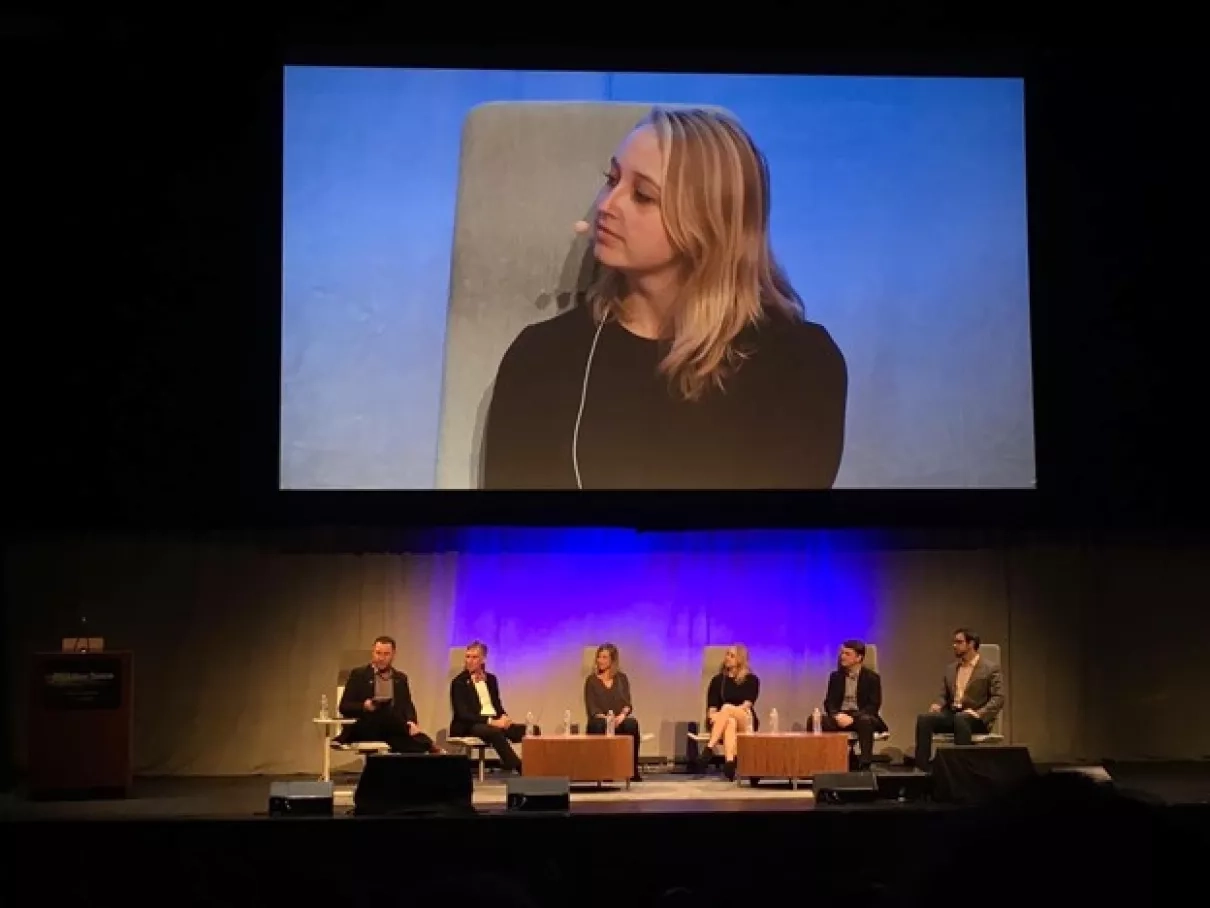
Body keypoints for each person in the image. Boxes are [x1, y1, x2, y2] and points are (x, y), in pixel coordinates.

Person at [481, 106, 847, 490]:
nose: (606, 205)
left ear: (708, 222)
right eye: (612, 179)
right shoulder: (540, 358)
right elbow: (511, 535)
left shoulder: (799, 364)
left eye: (641, 195)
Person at [914, 628, 1005, 769]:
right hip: (954, 714)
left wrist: (979, 713)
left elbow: (998, 698)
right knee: (924, 719)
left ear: (971, 644)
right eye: (954, 642)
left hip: (976, 718)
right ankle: (922, 768)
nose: (954, 645)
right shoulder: (951, 669)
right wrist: (938, 704)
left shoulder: (990, 668)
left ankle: (962, 768)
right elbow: (944, 696)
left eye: (959, 642)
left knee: (961, 719)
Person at [334, 636, 441, 754]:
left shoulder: (400, 679)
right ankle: (430, 744)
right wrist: (365, 706)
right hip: (367, 726)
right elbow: (344, 707)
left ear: (393, 655)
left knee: (405, 741)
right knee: (390, 721)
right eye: (378, 653)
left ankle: (424, 751)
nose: (381, 658)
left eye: (386, 654)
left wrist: (411, 722)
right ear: (372, 652)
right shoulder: (359, 675)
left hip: (392, 729)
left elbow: (407, 705)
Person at [808, 639, 888, 767]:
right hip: (840, 716)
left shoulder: (872, 678)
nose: (842, 656)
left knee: (865, 721)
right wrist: (836, 715)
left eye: (847, 653)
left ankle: (865, 764)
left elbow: (873, 705)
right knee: (814, 720)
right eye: (842, 653)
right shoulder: (835, 677)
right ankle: (816, 763)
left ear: (858, 658)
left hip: (861, 716)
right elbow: (829, 703)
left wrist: (852, 717)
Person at [449, 641, 526, 774]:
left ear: (483, 659)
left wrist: (504, 717)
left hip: (494, 721)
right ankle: (519, 767)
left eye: (474, 657)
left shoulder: (491, 679)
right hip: (471, 724)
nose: (470, 661)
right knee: (494, 731)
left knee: (530, 730)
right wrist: (491, 722)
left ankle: (538, 763)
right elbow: (463, 714)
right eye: (467, 657)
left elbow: (497, 705)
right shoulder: (459, 682)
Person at [583, 643, 643, 782]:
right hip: (600, 720)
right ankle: (603, 771)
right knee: (598, 725)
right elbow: (592, 708)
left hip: (618, 720)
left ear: (612, 660)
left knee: (631, 724)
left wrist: (621, 716)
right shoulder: (591, 681)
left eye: (604, 657)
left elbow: (627, 704)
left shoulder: (621, 679)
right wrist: (608, 719)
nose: (600, 660)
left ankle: (632, 770)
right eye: (599, 657)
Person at [701, 644, 760, 780]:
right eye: (727, 654)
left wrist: (726, 712)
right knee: (730, 722)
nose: (727, 658)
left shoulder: (751, 680)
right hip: (724, 721)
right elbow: (712, 709)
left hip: (746, 719)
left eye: (731, 655)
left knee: (728, 709)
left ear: (740, 659)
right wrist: (718, 716)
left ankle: (709, 748)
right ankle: (729, 763)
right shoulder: (717, 681)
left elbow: (747, 705)